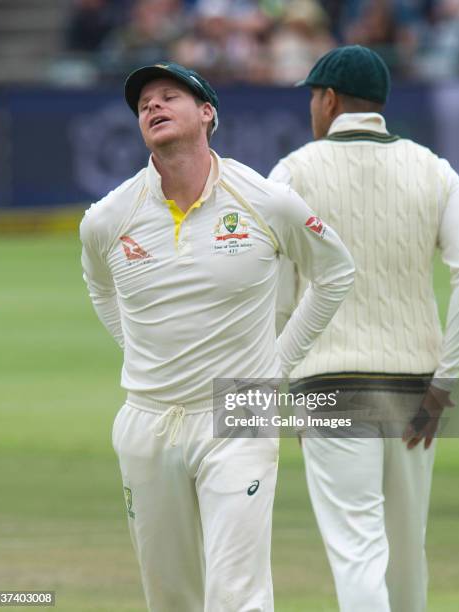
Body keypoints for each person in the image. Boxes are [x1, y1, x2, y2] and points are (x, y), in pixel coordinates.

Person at [80, 61, 354, 611]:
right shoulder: (108, 218)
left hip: (238, 411)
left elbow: (335, 272)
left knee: (236, 593)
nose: (153, 106)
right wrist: (134, 350)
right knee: (170, 595)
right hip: (147, 418)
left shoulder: (263, 198)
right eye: (143, 104)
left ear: (207, 114)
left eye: (168, 97)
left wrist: (278, 363)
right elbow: (100, 288)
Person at [270, 45, 459, 612]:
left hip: (327, 384)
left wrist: (280, 391)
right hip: (416, 391)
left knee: (357, 550)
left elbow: (274, 295)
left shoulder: (293, 171)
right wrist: (446, 383)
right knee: (406, 553)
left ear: (328, 100)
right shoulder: (434, 169)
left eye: (313, 96)